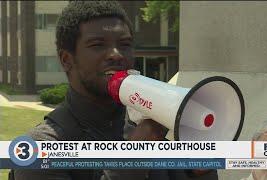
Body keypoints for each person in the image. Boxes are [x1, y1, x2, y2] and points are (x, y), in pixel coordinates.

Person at [10, 1, 218, 180]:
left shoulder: (152, 127)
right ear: (67, 60)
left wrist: (200, 172)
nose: (116, 55)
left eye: (125, 44)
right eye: (98, 45)